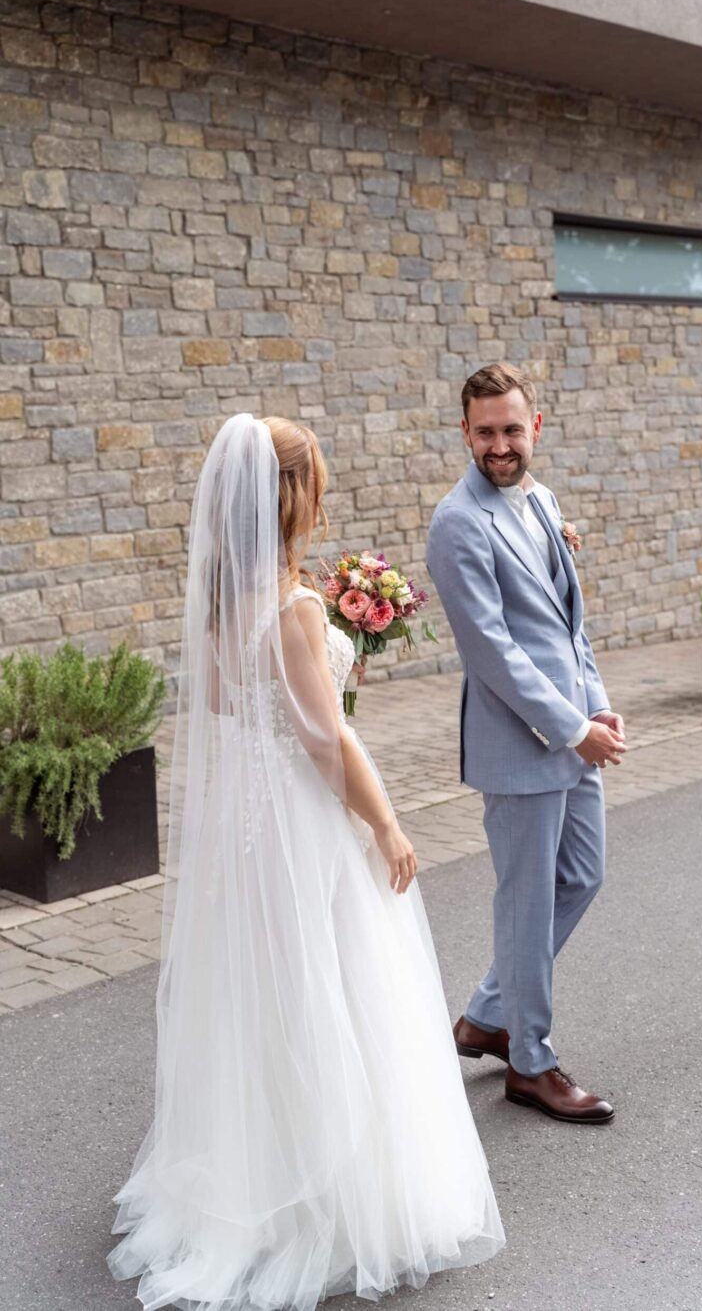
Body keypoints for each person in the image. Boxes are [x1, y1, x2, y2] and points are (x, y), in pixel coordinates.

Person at [107, 412, 504, 1311]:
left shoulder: (217, 601)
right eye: (313, 481)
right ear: (289, 497)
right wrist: (388, 824)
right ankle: (330, 1202)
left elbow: (229, 709)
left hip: (245, 833)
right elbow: (328, 745)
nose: (319, 496)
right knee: (335, 989)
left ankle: (255, 1179)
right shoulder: (292, 609)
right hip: (301, 821)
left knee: (266, 993)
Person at [426, 362, 627, 1125]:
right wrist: (572, 728)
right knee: (527, 902)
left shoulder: (541, 500)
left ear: (534, 426)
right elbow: (493, 652)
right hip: (521, 746)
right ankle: (529, 1063)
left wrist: (598, 709)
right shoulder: (457, 523)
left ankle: (484, 1015)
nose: (500, 446)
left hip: (577, 736)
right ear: (466, 432)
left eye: (512, 429)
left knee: (583, 874)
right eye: (485, 432)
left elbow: (567, 629)